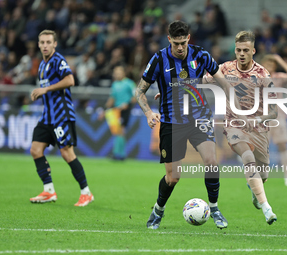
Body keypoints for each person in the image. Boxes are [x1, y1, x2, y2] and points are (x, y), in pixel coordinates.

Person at [135, 20, 252, 230]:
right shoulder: (158, 59)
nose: (180, 48)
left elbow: (223, 83)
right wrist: (148, 112)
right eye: (176, 43)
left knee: (212, 162)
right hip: (172, 122)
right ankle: (158, 211)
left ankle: (215, 208)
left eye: (183, 42)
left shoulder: (201, 55)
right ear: (169, 39)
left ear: (189, 38)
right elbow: (139, 91)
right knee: (173, 177)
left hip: (200, 118)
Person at [204, 31, 278, 225]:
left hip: (258, 129)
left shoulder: (263, 74)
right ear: (235, 50)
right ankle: (266, 208)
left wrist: (258, 119)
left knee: (262, 175)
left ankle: (256, 192)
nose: (242, 53)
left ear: (253, 51)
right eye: (238, 50)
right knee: (247, 157)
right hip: (234, 125)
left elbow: (274, 112)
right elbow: (200, 81)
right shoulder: (225, 69)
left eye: (246, 50)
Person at [29, 30, 94, 207]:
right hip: (47, 117)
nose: (45, 45)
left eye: (48, 42)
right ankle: (49, 190)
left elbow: (70, 80)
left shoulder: (58, 60)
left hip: (62, 116)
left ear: (55, 44)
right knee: (35, 149)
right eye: (42, 42)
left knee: (66, 153)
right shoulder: (42, 65)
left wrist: (45, 89)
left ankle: (86, 192)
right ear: (38, 44)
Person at [261, 54, 287, 186]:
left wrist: (279, 59)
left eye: (273, 64)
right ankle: (261, 177)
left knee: (282, 146)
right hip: (262, 117)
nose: (270, 66)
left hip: (278, 116)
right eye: (268, 63)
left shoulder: (278, 77)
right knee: (262, 148)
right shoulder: (257, 77)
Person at [102, 66, 136, 160]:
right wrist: (104, 110)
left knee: (120, 131)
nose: (116, 74)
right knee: (118, 132)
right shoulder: (115, 84)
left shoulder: (129, 83)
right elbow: (111, 99)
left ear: (123, 73)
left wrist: (127, 104)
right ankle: (120, 154)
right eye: (115, 72)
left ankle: (119, 154)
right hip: (116, 111)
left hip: (125, 110)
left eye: (118, 72)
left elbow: (135, 96)